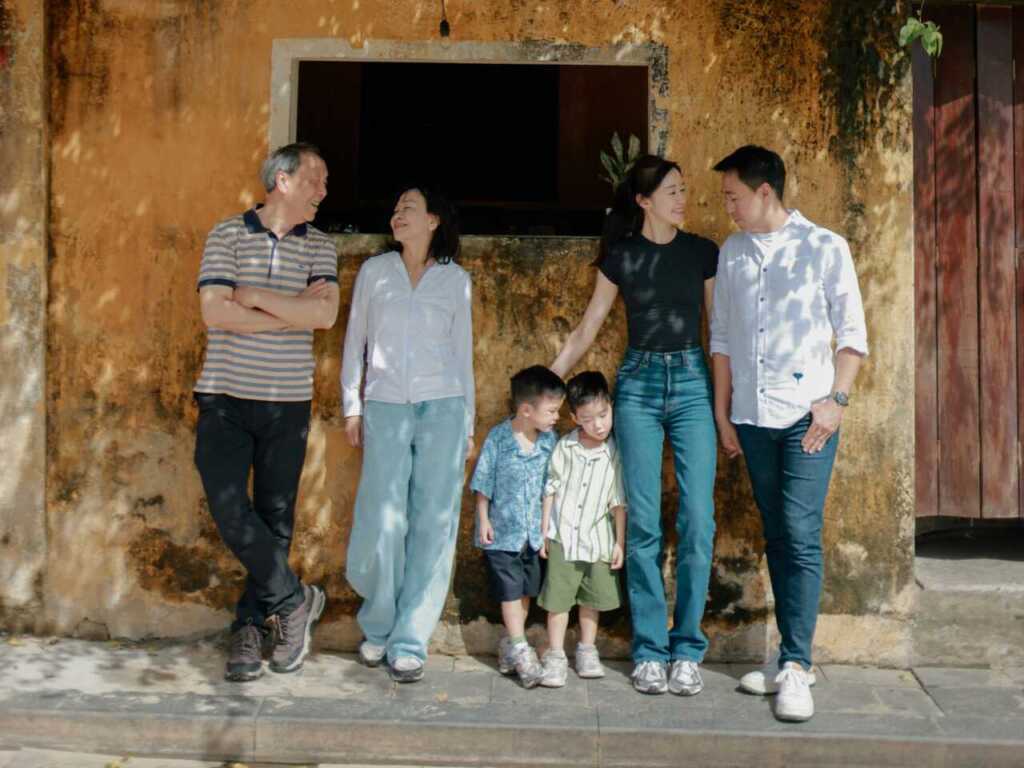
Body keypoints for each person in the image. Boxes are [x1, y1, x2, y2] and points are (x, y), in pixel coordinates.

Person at [710, 145, 868, 722]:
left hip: (808, 417)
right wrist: (724, 414)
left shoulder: (825, 247)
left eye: (732, 195)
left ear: (764, 193)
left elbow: (852, 335)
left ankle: (799, 666)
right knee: (777, 534)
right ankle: (786, 659)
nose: (725, 205)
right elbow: (722, 337)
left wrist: (837, 403)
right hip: (752, 417)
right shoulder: (732, 252)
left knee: (800, 535)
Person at [551, 155, 719, 696]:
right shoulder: (621, 258)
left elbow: (716, 336)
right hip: (640, 385)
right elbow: (586, 329)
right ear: (644, 201)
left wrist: (722, 406)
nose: (682, 198)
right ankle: (650, 648)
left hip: (693, 382)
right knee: (643, 521)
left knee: (697, 518)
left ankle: (687, 647)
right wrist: (544, 385)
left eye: (683, 189)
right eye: (671, 191)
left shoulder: (702, 253)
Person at [194, 142, 339, 682]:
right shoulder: (227, 234)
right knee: (232, 510)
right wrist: (289, 315)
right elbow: (213, 311)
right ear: (281, 180)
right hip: (225, 398)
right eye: (315, 180)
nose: (323, 192)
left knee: (275, 520)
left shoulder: (320, 246)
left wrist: (251, 296)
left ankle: (250, 629)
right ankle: (296, 599)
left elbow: (324, 315)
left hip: (286, 402)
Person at [341, 184, 474, 683]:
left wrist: (467, 423)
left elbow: (462, 355)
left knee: (434, 522)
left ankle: (410, 638)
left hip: (444, 406)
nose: (397, 214)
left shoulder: (454, 280)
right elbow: (356, 339)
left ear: (434, 220)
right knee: (381, 517)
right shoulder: (375, 273)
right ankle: (378, 625)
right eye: (395, 207)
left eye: (409, 208)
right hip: (385, 406)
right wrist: (352, 404)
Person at [470, 365, 565, 689]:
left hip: (533, 535)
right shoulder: (499, 439)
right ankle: (522, 650)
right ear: (526, 410)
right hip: (502, 533)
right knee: (510, 591)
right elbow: (484, 482)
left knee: (525, 592)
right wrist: (483, 519)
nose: (556, 417)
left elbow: (553, 487)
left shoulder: (550, 442)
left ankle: (512, 644)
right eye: (551, 410)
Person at [537, 371, 626, 687]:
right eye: (589, 419)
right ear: (574, 417)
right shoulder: (565, 447)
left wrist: (620, 543)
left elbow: (618, 500)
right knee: (558, 601)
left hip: (598, 540)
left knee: (592, 601)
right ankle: (556, 654)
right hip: (564, 537)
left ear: (611, 407)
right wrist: (544, 529)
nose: (599, 425)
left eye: (603, 415)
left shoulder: (614, 452)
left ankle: (587, 649)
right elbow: (551, 487)